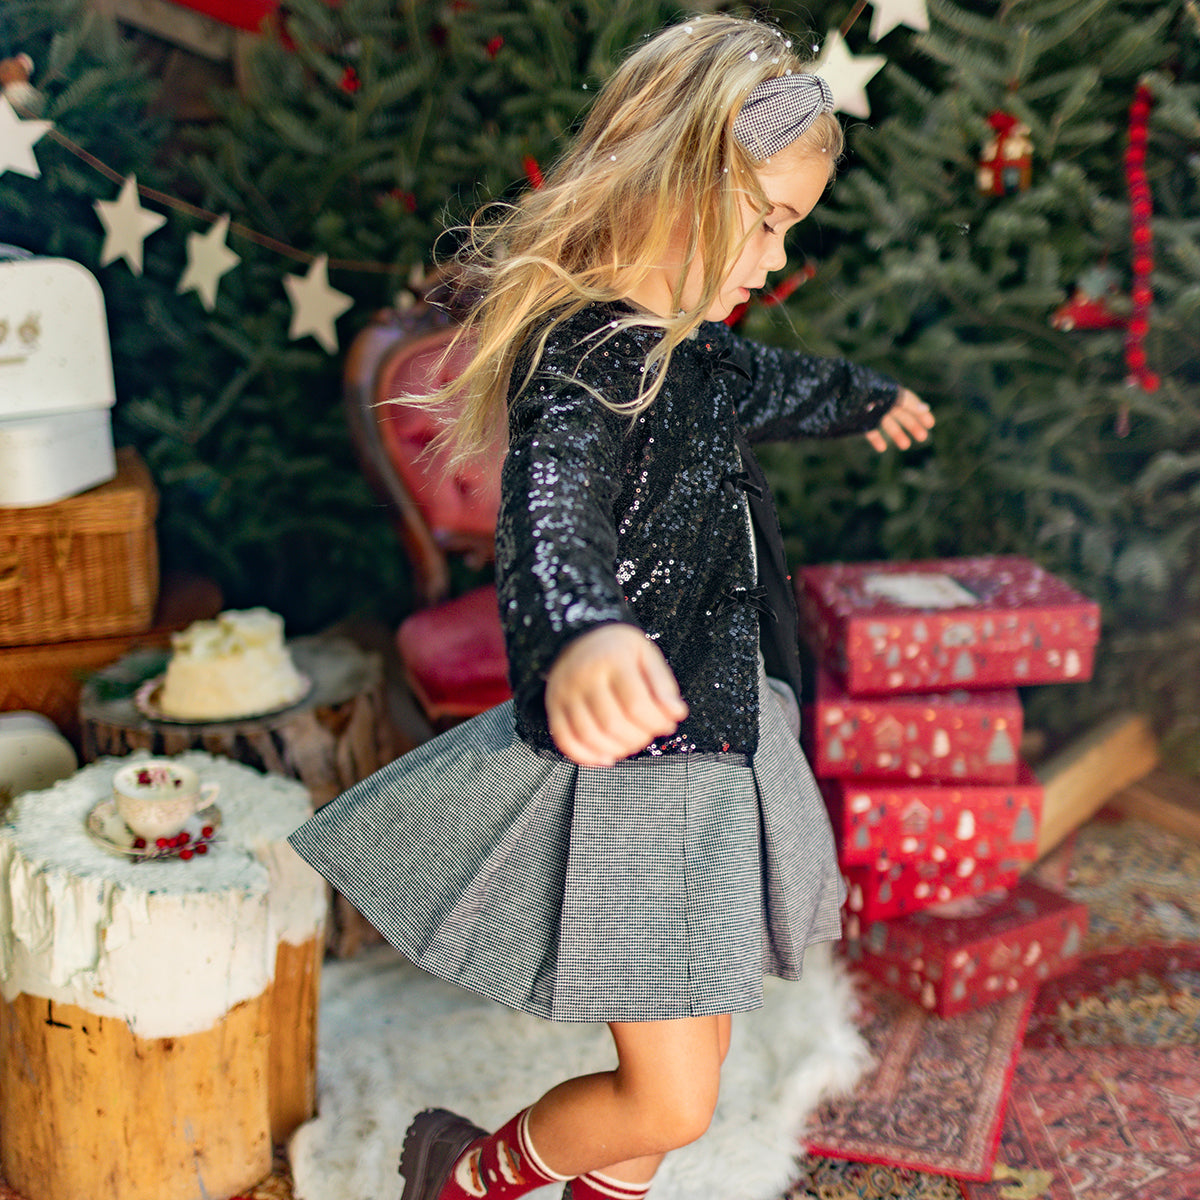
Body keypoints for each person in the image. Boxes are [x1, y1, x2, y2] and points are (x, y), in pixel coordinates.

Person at [289, 13, 934, 1200]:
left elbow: (784, 384)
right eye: (766, 217)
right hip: (642, 774)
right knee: (671, 1095)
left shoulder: (693, 352)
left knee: (702, 1054)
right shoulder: (587, 355)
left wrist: (867, 396)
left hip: (719, 745)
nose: (772, 257)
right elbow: (551, 518)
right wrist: (581, 634)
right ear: (676, 180)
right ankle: (462, 1177)